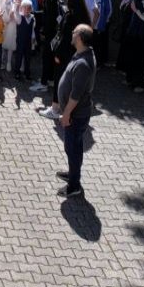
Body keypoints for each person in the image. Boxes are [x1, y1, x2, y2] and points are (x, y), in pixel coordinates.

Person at [56, 24, 96, 198]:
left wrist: (66, 115)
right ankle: (73, 175)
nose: (71, 34)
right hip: (75, 114)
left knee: (72, 148)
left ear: (79, 37)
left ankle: (74, 186)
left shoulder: (83, 63)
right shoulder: (81, 53)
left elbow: (76, 95)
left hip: (75, 115)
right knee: (74, 148)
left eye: (73, 32)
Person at [116, 0, 144, 93]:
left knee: (139, 56)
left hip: (140, 32)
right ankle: (130, 78)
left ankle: (139, 83)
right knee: (131, 54)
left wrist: (135, 10)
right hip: (133, 30)